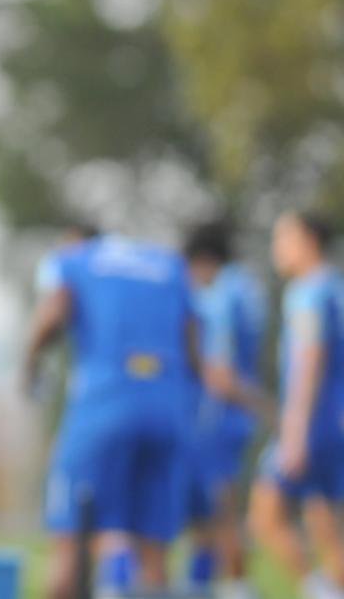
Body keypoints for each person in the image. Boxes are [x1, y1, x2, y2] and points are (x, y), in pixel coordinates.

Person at [26, 234, 200, 599]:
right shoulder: (169, 264)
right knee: (154, 555)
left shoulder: (75, 260)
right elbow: (193, 343)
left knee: (70, 546)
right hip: (166, 409)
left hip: (104, 404)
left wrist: (30, 363)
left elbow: (54, 312)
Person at [249, 211, 344, 599]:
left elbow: (309, 359)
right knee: (326, 525)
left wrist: (294, 431)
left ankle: (318, 590)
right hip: (333, 423)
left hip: (313, 423)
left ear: (308, 240)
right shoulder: (335, 287)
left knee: (264, 516)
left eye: (282, 237)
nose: (277, 248)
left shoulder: (307, 292)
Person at [183, 222, 268, 599]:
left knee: (216, 517)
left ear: (202, 261)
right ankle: (211, 587)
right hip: (236, 421)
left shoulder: (218, 296)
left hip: (214, 417)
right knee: (216, 514)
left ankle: (233, 590)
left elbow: (218, 370)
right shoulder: (249, 289)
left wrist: (265, 406)